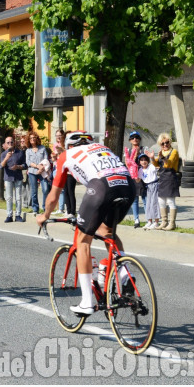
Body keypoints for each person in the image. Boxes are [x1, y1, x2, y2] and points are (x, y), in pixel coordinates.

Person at [37, 132, 134, 315]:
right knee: (107, 231)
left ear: (68, 146)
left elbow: (54, 195)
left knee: (83, 241)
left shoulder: (66, 155)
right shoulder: (103, 149)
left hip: (101, 186)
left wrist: (44, 215)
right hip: (128, 186)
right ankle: (125, 274)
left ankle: (87, 302)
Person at [146, 133, 180, 230]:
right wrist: (152, 157)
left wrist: (163, 158)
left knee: (170, 201)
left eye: (167, 142)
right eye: (162, 143)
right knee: (161, 201)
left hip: (171, 178)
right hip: (162, 178)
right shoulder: (161, 152)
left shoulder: (174, 152)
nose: (165, 145)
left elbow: (169, 164)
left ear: (170, 142)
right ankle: (164, 222)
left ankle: (172, 223)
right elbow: (156, 163)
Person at [0, 136, 25, 223]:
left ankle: (18, 215)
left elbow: (25, 165)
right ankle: (9, 215)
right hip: (8, 177)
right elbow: (1, 166)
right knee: (9, 197)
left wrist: (18, 166)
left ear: (14, 143)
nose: (10, 144)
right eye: (8, 143)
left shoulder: (20, 153)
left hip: (18, 177)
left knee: (18, 197)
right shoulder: (3, 154)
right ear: (5, 145)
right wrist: (6, 158)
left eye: (11, 142)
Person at [124, 131, 146, 227]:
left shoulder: (143, 149)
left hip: (142, 176)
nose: (135, 139)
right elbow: (127, 164)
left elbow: (147, 162)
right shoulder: (128, 151)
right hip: (132, 177)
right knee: (134, 199)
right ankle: (136, 219)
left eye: (137, 137)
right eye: (132, 137)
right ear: (129, 140)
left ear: (140, 139)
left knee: (145, 198)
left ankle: (149, 219)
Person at [25, 132, 50, 215]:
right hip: (32, 172)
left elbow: (46, 159)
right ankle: (35, 208)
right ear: (29, 140)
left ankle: (45, 207)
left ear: (37, 138)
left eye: (34, 137)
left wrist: (41, 168)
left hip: (42, 172)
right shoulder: (28, 150)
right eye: (31, 138)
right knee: (34, 191)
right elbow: (28, 162)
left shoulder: (42, 148)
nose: (32, 139)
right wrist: (37, 166)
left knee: (45, 189)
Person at [137, 154, 160, 230]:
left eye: (145, 160)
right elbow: (138, 180)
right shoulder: (140, 169)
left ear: (148, 161)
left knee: (154, 203)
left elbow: (155, 165)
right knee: (148, 204)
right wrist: (134, 174)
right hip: (148, 187)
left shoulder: (151, 166)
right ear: (139, 162)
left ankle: (156, 222)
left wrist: (152, 158)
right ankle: (149, 221)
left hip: (154, 185)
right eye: (142, 160)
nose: (143, 162)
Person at [63, 131, 79, 217]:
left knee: (70, 191)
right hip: (64, 172)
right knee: (65, 191)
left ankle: (73, 211)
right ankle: (68, 210)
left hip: (71, 173)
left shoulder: (75, 148)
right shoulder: (65, 149)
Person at [52, 129, 66, 215]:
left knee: (63, 190)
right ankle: (59, 208)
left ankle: (62, 208)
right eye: (56, 136)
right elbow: (55, 157)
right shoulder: (55, 145)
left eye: (59, 135)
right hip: (56, 167)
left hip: (63, 168)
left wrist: (62, 150)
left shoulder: (65, 145)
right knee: (57, 189)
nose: (58, 137)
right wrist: (53, 156)